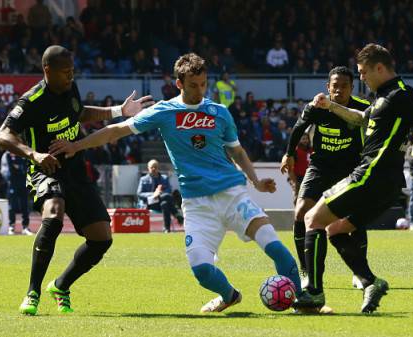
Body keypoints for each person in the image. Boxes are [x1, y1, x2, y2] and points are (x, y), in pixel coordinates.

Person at [50, 53, 304, 313]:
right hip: (196, 203)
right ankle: (229, 295)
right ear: (179, 83)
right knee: (201, 270)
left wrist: (256, 181)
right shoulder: (164, 111)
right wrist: (77, 145)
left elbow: (237, 151)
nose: (200, 90)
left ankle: (301, 301)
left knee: (275, 247)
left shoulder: (220, 112)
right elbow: (117, 130)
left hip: (232, 194)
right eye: (193, 85)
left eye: (204, 84)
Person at [0, 45, 154, 316]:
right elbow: (2, 136)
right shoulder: (31, 101)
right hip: (45, 169)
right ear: (47, 70)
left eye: (72, 71)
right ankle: (32, 292)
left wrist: (118, 110)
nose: (71, 76)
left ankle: (60, 286)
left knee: (102, 238)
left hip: (76, 170)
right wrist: (34, 154)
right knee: (54, 214)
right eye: (65, 72)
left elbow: (79, 112)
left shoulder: (70, 88)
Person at [294, 44, 413, 313]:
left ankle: (314, 293)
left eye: (363, 72)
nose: (362, 78)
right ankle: (370, 281)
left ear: (379, 68)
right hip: (386, 183)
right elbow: (359, 119)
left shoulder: (401, 95)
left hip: (371, 174)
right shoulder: (382, 98)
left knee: (312, 218)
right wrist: (331, 106)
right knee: (335, 229)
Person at [280, 66, 370, 290]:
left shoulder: (363, 108)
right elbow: (299, 128)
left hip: (350, 168)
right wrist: (289, 154)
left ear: (352, 87)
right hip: (320, 166)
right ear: (327, 87)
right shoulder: (317, 107)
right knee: (301, 212)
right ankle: (305, 270)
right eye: (335, 86)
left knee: (353, 220)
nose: (339, 90)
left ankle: (359, 272)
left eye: (344, 86)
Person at [137, 159, 183, 233]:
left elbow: (168, 191)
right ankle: (177, 214)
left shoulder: (164, 178)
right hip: (149, 203)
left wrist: (159, 193)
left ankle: (166, 229)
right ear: (148, 168)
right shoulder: (143, 179)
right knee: (166, 197)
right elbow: (139, 194)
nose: (153, 169)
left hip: (160, 203)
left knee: (164, 203)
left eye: (155, 167)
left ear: (158, 168)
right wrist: (153, 194)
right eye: (152, 167)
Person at [4, 151, 32, 235]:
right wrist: (19, 168)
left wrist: (19, 168)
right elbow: (11, 168)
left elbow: (25, 169)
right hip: (13, 183)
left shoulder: (24, 155)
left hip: (23, 184)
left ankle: (25, 227)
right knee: (12, 206)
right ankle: (11, 226)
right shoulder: (8, 155)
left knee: (25, 206)